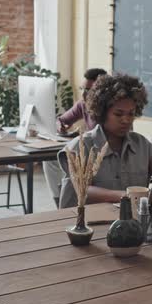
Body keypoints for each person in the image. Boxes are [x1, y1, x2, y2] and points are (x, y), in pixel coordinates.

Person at [58, 73, 152, 208]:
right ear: (102, 112)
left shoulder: (142, 145)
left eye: (131, 113)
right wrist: (126, 196)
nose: (126, 120)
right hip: (88, 223)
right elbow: (80, 189)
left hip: (132, 222)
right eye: (118, 114)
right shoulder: (80, 146)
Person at [43, 68, 107, 207]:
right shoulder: (82, 105)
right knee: (49, 160)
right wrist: (61, 125)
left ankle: (69, 201)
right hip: (86, 149)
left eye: (89, 90)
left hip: (102, 154)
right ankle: (58, 200)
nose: (84, 93)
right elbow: (61, 120)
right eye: (83, 88)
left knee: (71, 166)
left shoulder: (109, 110)